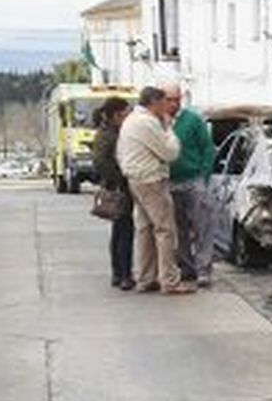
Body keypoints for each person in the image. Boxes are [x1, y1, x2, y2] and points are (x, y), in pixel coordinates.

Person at [117, 86, 193, 295]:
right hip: (151, 179)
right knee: (165, 229)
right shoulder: (148, 123)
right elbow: (170, 153)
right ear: (154, 103)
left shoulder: (131, 120)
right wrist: (168, 129)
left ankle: (145, 277)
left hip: (135, 178)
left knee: (144, 229)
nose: (167, 107)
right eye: (163, 102)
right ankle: (169, 280)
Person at [165, 85, 218, 286]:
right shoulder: (159, 121)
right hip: (170, 181)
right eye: (169, 99)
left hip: (193, 179)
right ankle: (187, 267)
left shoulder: (193, 120)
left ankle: (204, 269)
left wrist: (204, 175)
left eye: (176, 99)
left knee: (202, 226)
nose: (173, 103)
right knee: (178, 229)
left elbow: (207, 147)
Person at [91, 97, 134, 290]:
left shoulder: (109, 132)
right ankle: (124, 273)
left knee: (119, 231)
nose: (129, 117)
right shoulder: (108, 135)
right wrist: (119, 179)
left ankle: (119, 273)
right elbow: (100, 162)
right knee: (125, 231)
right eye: (126, 113)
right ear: (117, 115)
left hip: (117, 186)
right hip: (119, 189)